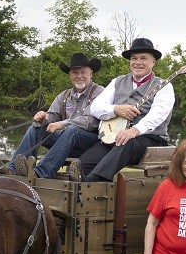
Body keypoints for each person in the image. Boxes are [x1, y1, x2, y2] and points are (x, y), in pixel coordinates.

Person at [68, 38, 174, 183]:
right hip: (116, 137)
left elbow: (158, 114)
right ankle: (80, 189)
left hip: (150, 139)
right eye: (134, 58)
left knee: (128, 143)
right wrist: (116, 109)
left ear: (153, 62)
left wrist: (135, 130)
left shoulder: (164, 86)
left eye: (143, 58)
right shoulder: (118, 81)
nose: (138, 62)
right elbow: (95, 107)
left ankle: (91, 182)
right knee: (82, 164)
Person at [0, 52, 103, 178]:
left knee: (72, 131)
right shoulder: (64, 96)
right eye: (75, 72)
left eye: (83, 72)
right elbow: (52, 116)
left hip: (91, 145)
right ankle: (13, 169)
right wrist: (44, 117)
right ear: (69, 75)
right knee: (36, 128)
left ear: (91, 73)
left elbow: (90, 121)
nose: (79, 76)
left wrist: (61, 124)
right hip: (66, 142)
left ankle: (40, 173)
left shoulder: (100, 93)